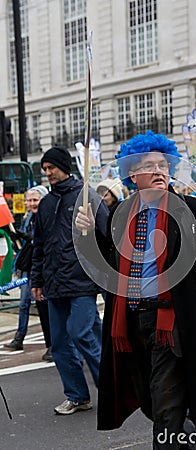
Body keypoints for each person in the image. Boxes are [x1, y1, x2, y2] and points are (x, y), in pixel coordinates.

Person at [75, 131, 196, 448]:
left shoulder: (191, 209)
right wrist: (89, 234)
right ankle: (181, 433)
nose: (160, 170)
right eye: (151, 165)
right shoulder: (121, 215)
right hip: (132, 323)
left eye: (163, 164)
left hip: (173, 323)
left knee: (165, 406)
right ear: (133, 174)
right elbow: (105, 267)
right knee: (152, 401)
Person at [30, 146, 109, 415]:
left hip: (83, 281)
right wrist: (36, 279)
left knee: (81, 332)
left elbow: (109, 237)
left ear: (64, 166)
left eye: (51, 168)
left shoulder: (89, 198)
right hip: (54, 284)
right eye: (45, 170)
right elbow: (38, 245)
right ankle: (77, 395)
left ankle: (110, 388)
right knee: (60, 344)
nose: (48, 173)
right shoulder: (46, 203)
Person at [4, 186, 53, 362]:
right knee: (25, 303)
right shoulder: (28, 218)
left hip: (45, 269)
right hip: (30, 267)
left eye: (35, 200)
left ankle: (55, 345)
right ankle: (20, 337)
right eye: (29, 200)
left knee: (48, 308)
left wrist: (26, 236)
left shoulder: (47, 217)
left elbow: (39, 241)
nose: (31, 204)